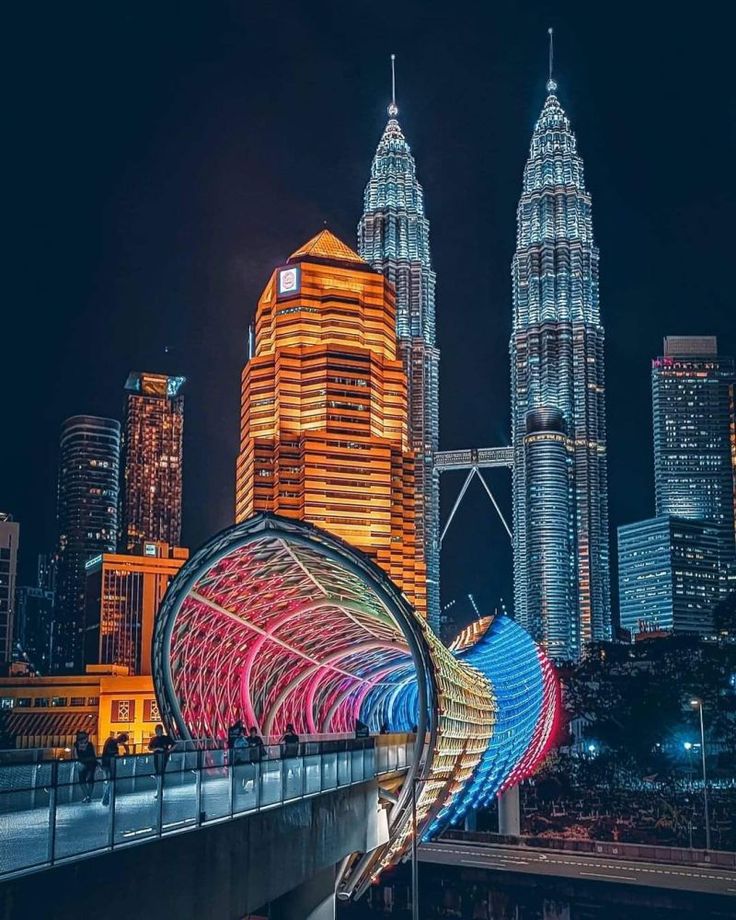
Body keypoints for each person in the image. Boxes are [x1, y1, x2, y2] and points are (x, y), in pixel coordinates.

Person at [100, 731, 129, 806]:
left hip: (105, 763)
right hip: (110, 764)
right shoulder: (113, 744)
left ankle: (105, 798)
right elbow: (113, 754)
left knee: (107, 781)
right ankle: (105, 798)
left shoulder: (110, 740)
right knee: (111, 781)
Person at [148, 723, 175, 798]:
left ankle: (159, 791)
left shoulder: (163, 738)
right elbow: (149, 748)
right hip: (157, 757)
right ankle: (159, 790)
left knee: (160, 773)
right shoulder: (154, 739)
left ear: (161, 731)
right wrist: (158, 749)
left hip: (162, 757)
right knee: (159, 773)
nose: (157, 731)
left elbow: (174, 745)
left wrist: (168, 751)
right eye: (157, 730)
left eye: (158, 730)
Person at [74, 730, 98, 803]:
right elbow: (93, 754)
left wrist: (78, 761)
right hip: (89, 764)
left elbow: (76, 755)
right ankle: (88, 796)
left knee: (83, 781)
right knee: (89, 780)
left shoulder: (77, 744)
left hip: (83, 764)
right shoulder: (89, 745)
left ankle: (87, 796)